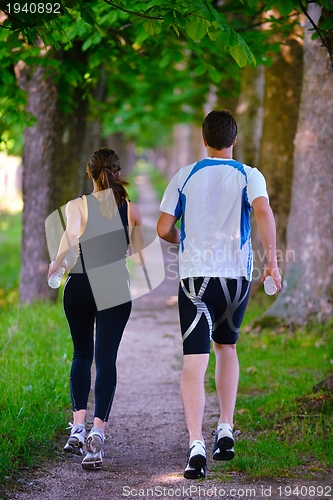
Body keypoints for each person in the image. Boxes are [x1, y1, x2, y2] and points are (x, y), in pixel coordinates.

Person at [157, 110, 282, 480]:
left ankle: (196, 444)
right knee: (227, 348)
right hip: (236, 280)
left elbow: (164, 227)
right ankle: (225, 427)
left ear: (203, 139)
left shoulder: (185, 175)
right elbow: (263, 209)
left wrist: (184, 240)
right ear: (234, 139)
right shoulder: (249, 175)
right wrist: (272, 262)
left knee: (193, 362)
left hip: (196, 279)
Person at [47, 148, 143, 470]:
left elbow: (69, 238)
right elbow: (142, 259)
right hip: (114, 287)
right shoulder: (131, 210)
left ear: (90, 174)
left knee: (81, 355)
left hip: (79, 286)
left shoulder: (77, 205)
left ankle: (77, 427)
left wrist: (55, 264)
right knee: (105, 359)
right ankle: (97, 436)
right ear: (117, 172)